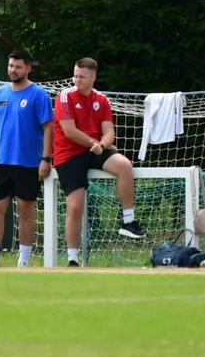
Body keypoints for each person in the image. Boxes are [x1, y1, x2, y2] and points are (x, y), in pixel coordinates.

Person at [53, 57, 146, 267]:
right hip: (69, 153)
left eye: (82, 77)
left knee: (124, 166)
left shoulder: (102, 99)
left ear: (94, 77)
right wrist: (94, 142)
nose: (77, 80)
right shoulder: (64, 97)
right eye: (75, 75)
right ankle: (72, 258)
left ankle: (127, 221)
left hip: (94, 149)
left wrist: (101, 146)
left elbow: (109, 133)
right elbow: (69, 131)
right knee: (75, 207)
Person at [0, 48, 54, 267]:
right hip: (2, 162)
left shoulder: (39, 94)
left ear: (28, 68)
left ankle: (23, 261)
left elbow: (49, 128)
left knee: (25, 211)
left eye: (18, 67)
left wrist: (45, 159)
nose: (13, 70)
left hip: (29, 164)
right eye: (11, 66)